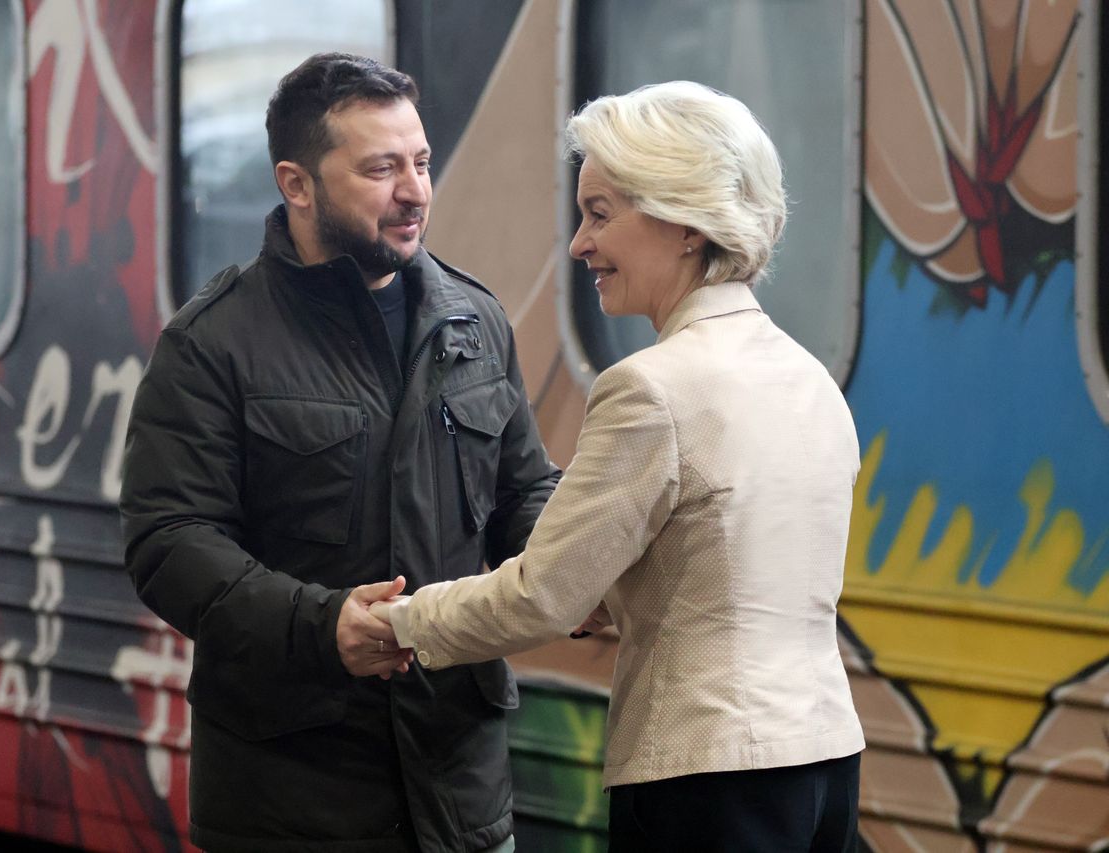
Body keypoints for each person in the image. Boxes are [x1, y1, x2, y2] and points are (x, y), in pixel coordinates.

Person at [370, 81, 866, 852]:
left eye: (600, 213)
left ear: (686, 223)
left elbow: (539, 596)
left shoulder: (649, 389)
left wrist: (401, 622)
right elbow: (727, 568)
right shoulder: (808, 379)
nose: (579, 244)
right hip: (825, 759)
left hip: (705, 777)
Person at [119, 53, 560, 852]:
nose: (416, 191)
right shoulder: (213, 343)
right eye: (382, 169)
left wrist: (571, 562)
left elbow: (523, 490)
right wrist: (321, 626)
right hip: (293, 806)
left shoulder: (474, 322)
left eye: (421, 162)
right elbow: (169, 540)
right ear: (297, 185)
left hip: (459, 796)